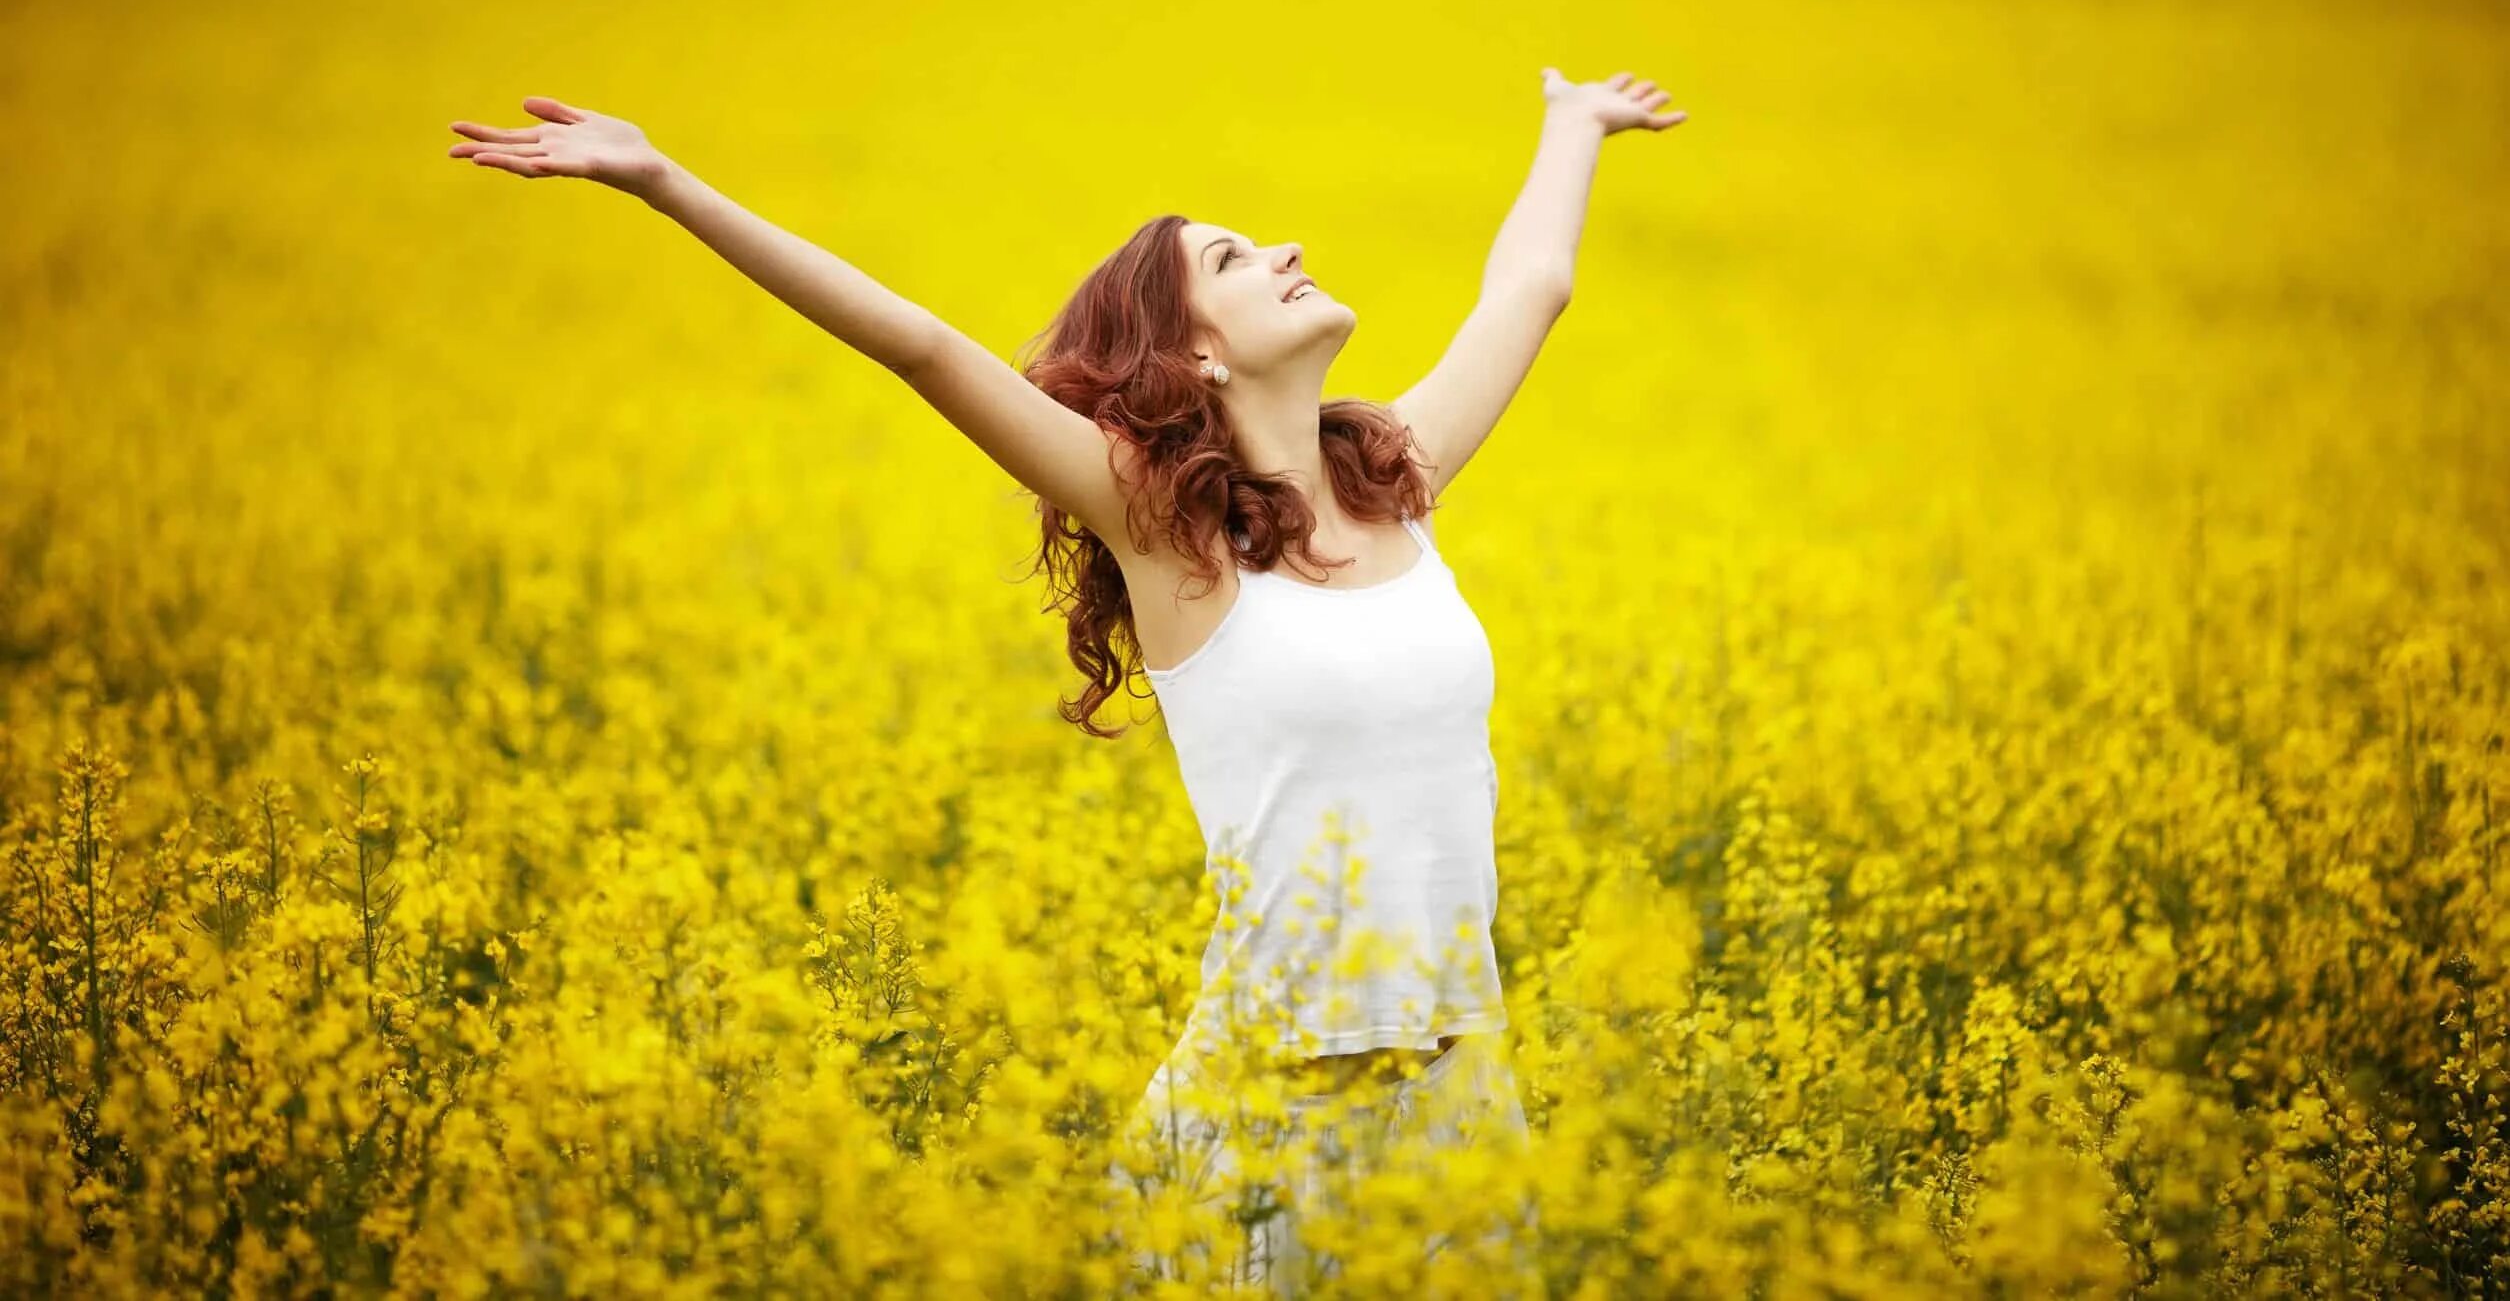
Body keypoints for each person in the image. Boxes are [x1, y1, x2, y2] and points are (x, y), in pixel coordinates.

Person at [445, 66, 1687, 1290]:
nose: (1287, 250)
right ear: (1193, 359)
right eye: (1233, 259)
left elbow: (1532, 286)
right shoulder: (1169, 543)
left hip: (1460, 1100)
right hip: (1268, 1122)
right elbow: (921, 347)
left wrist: (1573, 121)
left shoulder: (1398, 482)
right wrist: (663, 181)